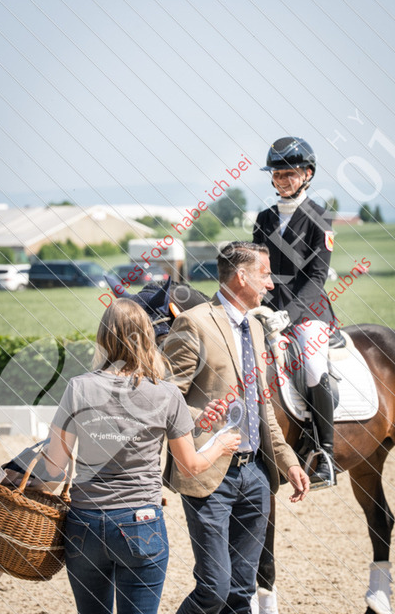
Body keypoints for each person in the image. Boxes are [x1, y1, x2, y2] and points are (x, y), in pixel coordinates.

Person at [44, 299, 241, 614]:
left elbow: (53, 466)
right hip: (140, 521)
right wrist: (220, 444)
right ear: (149, 338)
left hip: (85, 522)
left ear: (103, 337)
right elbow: (190, 466)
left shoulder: (79, 387)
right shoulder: (166, 393)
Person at [162, 241, 309, 614]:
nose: (271, 284)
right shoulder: (193, 322)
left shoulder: (256, 328)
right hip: (210, 474)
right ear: (241, 276)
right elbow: (165, 399)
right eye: (265, 274)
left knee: (242, 592)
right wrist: (200, 417)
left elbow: (262, 405)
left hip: (257, 474)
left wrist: (288, 461)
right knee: (214, 588)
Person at [253, 136, 337, 487]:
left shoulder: (320, 217)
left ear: (307, 174)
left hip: (309, 312)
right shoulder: (264, 218)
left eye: (290, 173)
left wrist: (288, 313)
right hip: (267, 310)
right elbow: (256, 269)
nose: (282, 180)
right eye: (277, 174)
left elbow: (317, 276)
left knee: (313, 365)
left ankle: (326, 453)